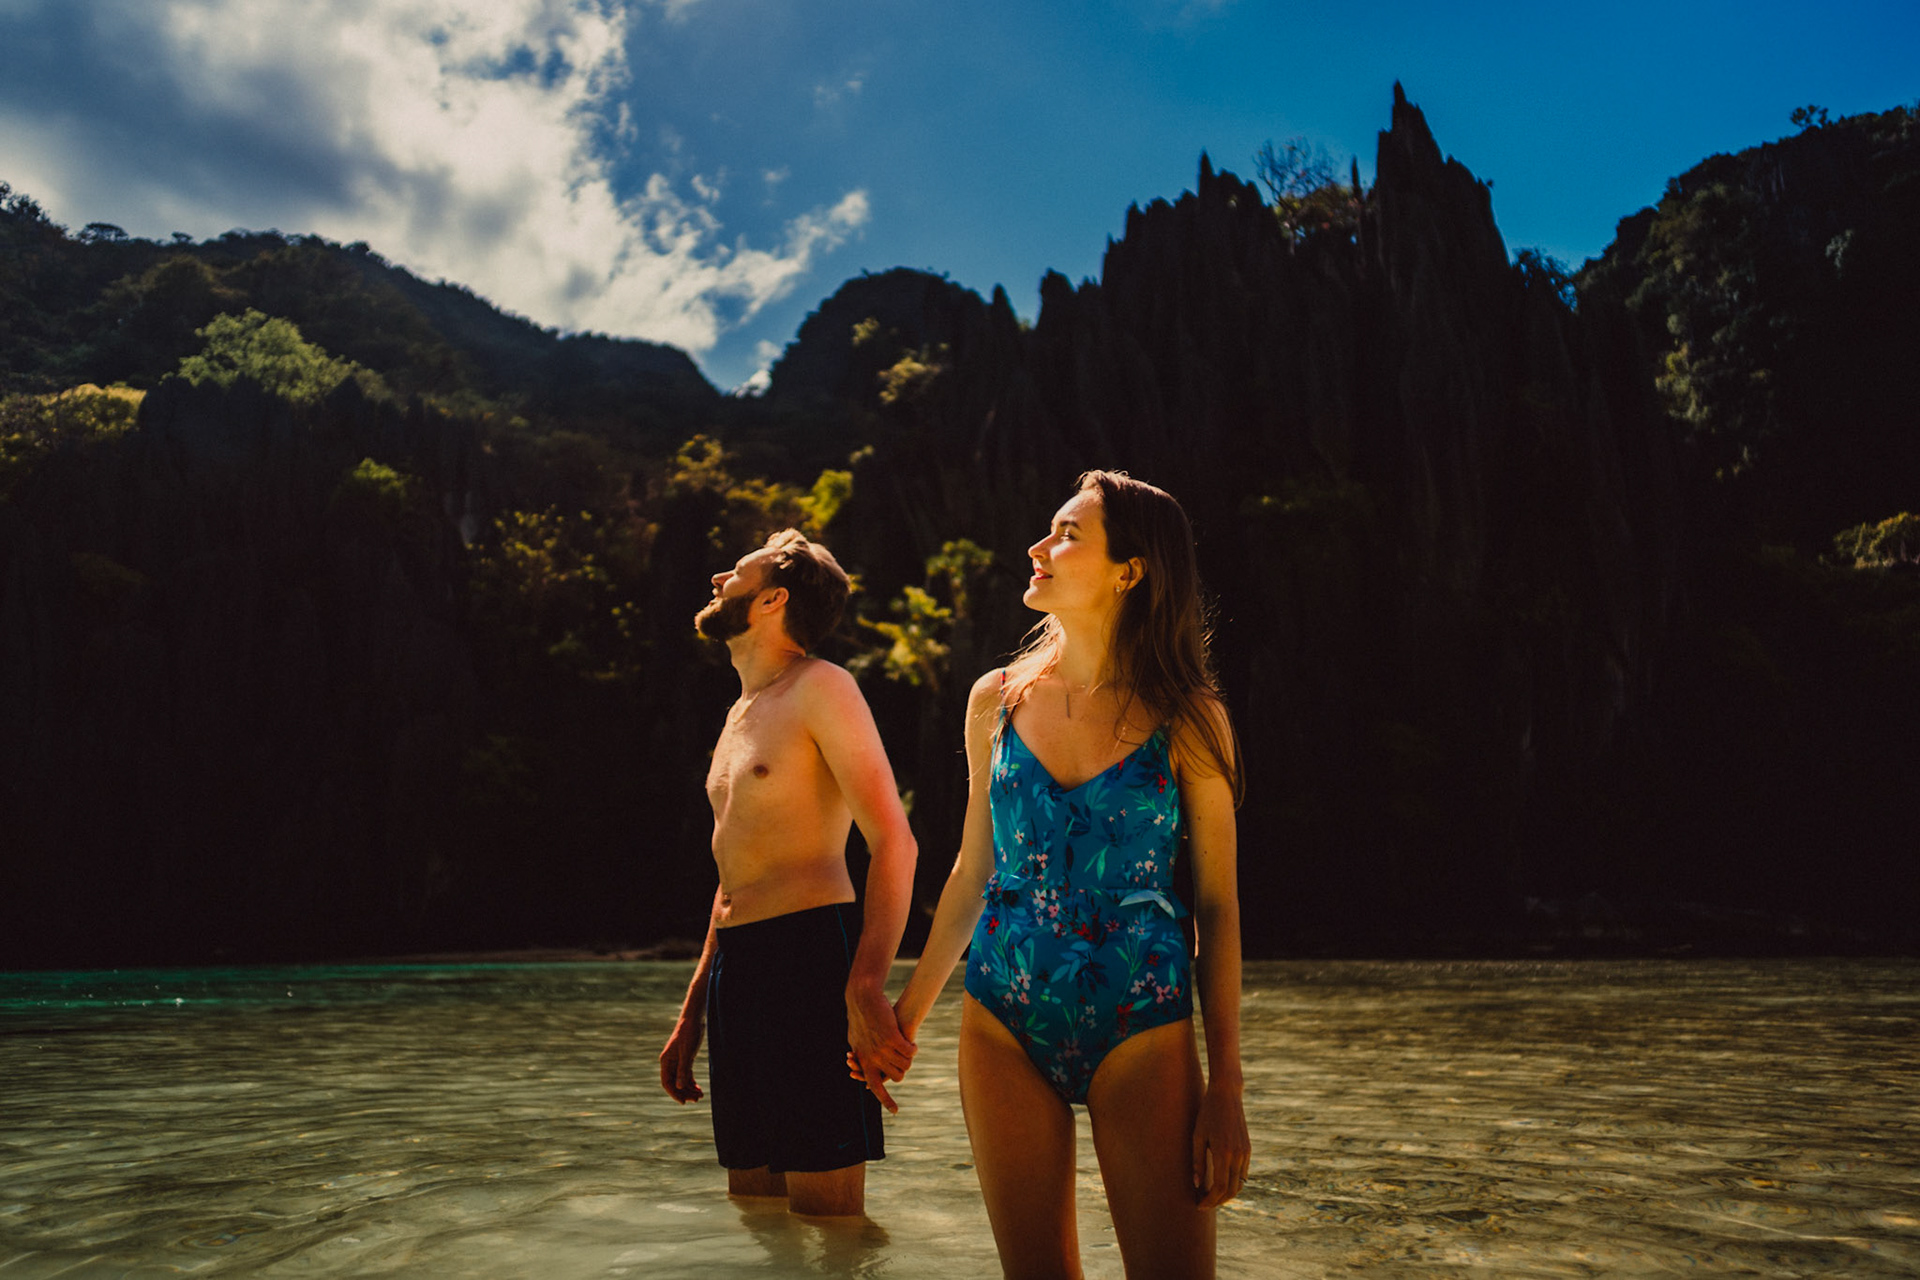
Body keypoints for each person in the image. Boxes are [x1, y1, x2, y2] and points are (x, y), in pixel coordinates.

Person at [869, 471, 1250, 1278]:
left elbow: (1217, 906)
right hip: (1003, 1015)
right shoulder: (996, 700)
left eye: (1068, 534)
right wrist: (904, 1020)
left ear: (1130, 570)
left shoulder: (1189, 715)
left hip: (1141, 1018)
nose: (1039, 548)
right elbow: (974, 870)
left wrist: (1227, 1087)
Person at [659, 528, 918, 1218]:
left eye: (736, 573)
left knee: (831, 1221)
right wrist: (693, 1011)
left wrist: (865, 983)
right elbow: (732, 874)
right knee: (756, 1212)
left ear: (772, 600)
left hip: (808, 959)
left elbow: (895, 841)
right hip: (735, 969)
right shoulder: (740, 712)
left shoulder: (822, 687)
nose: (718, 579)